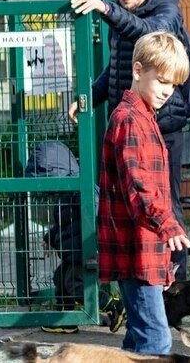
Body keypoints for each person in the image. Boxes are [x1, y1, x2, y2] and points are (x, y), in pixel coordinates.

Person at [69, 0, 190, 280]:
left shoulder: (167, 9)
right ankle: (136, 277)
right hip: (128, 121)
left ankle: (176, 283)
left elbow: (146, 35)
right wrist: (91, 96)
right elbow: (117, 65)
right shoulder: (122, 13)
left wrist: (106, 8)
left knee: (165, 202)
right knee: (128, 204)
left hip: (164, 125)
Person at [97, 31, 190, 355]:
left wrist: (164, 261)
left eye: (174, 84)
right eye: (162, 80)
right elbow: (139, 187)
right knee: (156, 341)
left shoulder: (146, 117)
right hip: (135, 252)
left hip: (147, 252)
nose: (168, 90)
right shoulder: (129, 120)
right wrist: (167, 225)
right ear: (138, 71)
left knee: (137, 341)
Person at [26, 141, 126, 335]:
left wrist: (96, 240)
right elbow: (63, 225)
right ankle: (66, 319)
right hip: (74, 253)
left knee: (75, 284)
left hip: (86, 251)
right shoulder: (64, 193)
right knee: (60, 278)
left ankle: (112, 304)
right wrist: (50, 237)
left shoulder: (80, 189)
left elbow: (98, 211)